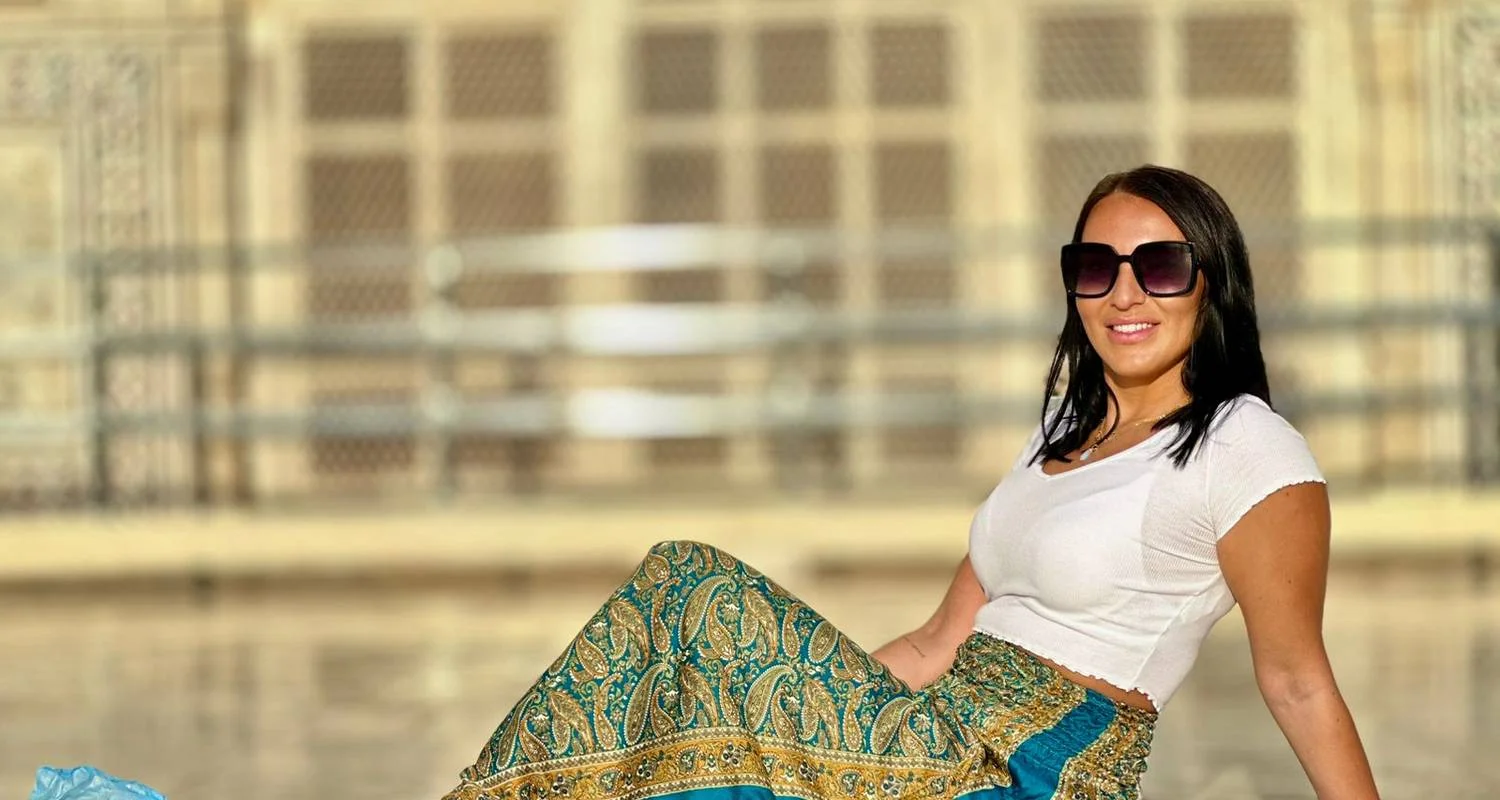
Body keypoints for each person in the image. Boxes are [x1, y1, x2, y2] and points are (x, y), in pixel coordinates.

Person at [439, 165, 1381, 800]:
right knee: (693, 694)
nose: (1124, 293)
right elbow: (936, 642)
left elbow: (1297, 680)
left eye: (1160, 267)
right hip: (930, 736)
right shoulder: (1058, 433)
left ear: (1210, 282)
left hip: (1031, 771)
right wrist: (801, 716)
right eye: (1096, 267)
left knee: (692, 584)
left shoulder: (1244, 445)